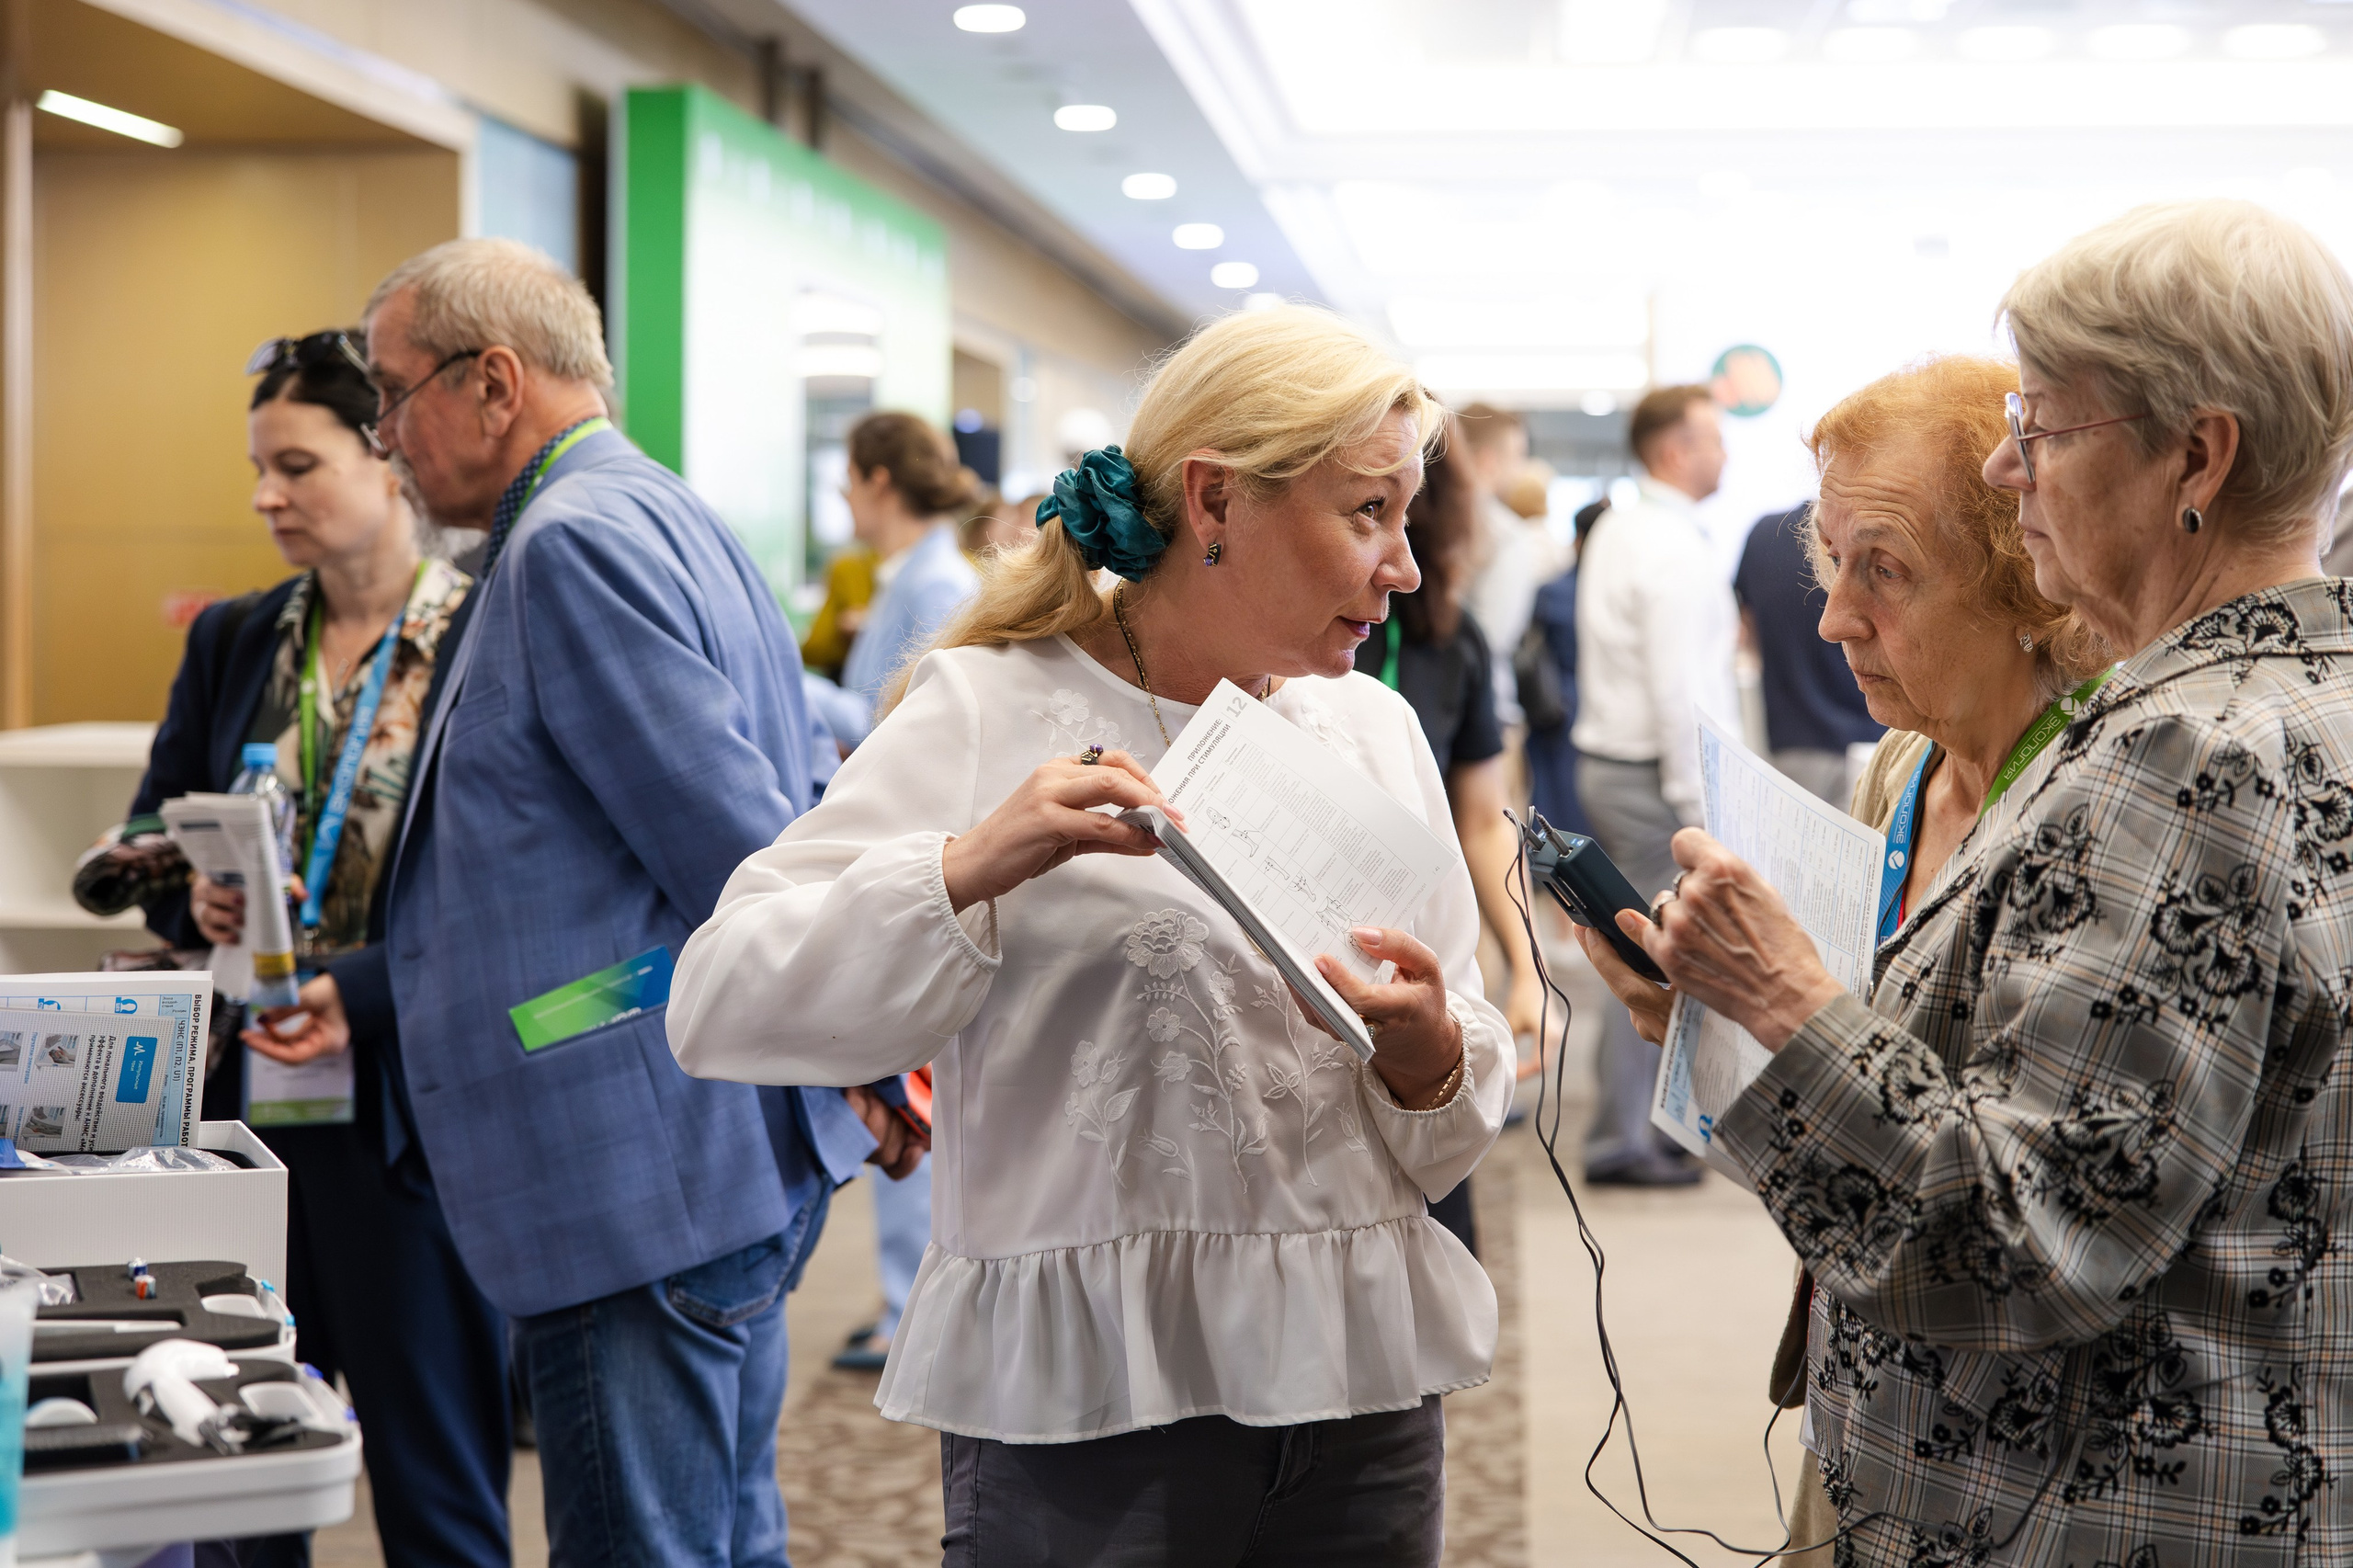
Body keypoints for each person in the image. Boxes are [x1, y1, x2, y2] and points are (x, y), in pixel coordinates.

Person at [669, 304, 1513, 1565]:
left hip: (1360, 1394)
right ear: (1217, 500)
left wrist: (1432, 1053)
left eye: (1405, 515)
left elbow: (1452, 1105)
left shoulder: (1371, 728)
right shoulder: (991, 706)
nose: (1402, 565)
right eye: (1366, 513)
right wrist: (967, 868)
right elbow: (719, 998)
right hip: (1098, 1409)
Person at [1584, 199, 2353, 1564]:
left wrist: (1785, 1000)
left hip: (2094, 1511)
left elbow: (2016, 1242)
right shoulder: (2305, 696)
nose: (2009, 468)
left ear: (2199, 453)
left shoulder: (2180, 751)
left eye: (2044, 429)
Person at [255, 239, 900, 1566]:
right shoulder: (648, 504)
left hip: (634, 1177)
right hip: (688, 1158)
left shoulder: (572, 544)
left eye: (394, 392)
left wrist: (870, 1046)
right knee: (719, 1538)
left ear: (493, 383)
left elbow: (734, 857)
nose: (385, 431)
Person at [119, 331, 504, 1568]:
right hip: (247, 1104)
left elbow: (515, 891)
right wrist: (198, 895)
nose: (264, 495)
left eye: (296, 464)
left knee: (434, 1477)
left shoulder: (488, 630)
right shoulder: (238, 636)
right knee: (239, 1472)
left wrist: (369, 984)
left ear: (387, 458)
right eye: (257, 469)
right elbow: (144, 829)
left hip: (410, 1107)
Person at [1751, 355, 2109, 1564]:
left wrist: (1781, 1002)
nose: (1835, 617)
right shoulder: (1899, 774)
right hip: (1863, 1387)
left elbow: (2047, 1210)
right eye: (1833, 560)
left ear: (2024, 574)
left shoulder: (2097, 805)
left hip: (2012, 1460)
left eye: (1885, 570)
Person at [1350, 414, 1549, 1253]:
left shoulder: (1451, 638)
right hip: (1311, 954)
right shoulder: (1294, 638)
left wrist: (1528, 967)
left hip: (1412, 964)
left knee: (1425, 1217)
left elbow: (1483, 820)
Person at [1570, 384, 1736, 1186]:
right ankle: (1621, 1139)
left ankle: (1657, 1126)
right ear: (1674, 450)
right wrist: (1700, 800)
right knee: (1644, 952)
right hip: (1651, 775)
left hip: (1620, 764)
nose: (1725, 452)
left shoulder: (1628, 527)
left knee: (1647, 946)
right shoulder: (1666, 542)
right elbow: (1682, 686)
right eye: (1712, 437)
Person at [1733, 502, 1885, 805]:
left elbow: (1746, 632)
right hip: (1874, 740)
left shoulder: (1764, 535)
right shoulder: (1878, 532)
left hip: (1793, 745)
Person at [837, 412, 985, 722]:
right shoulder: (908, 574)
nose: (846, 497)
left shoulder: (937, 585)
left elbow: (923, 723)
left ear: (878, 483)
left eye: (850, 481)